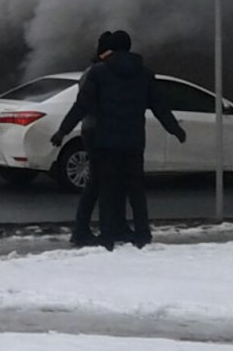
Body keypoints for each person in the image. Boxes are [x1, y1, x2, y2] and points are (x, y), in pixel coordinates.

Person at [51, 30, 186, 250]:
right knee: (135, 189)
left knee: (106, 189)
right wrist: (175, 129)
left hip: (105, 141)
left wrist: (62, 131)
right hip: (133, 141)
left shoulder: (98, 73)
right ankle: (143, 235)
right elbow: (160, 106)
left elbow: (81, 105)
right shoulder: (144, 74)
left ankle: (108, 237)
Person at [70, 31, 114, 247]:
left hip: (97, 129)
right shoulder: (96, 73)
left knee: (102, 182)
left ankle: (96, 228)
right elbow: (87, 102)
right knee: (97, 183)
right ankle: (81, 230)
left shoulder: (93, 71)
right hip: (97, 130)